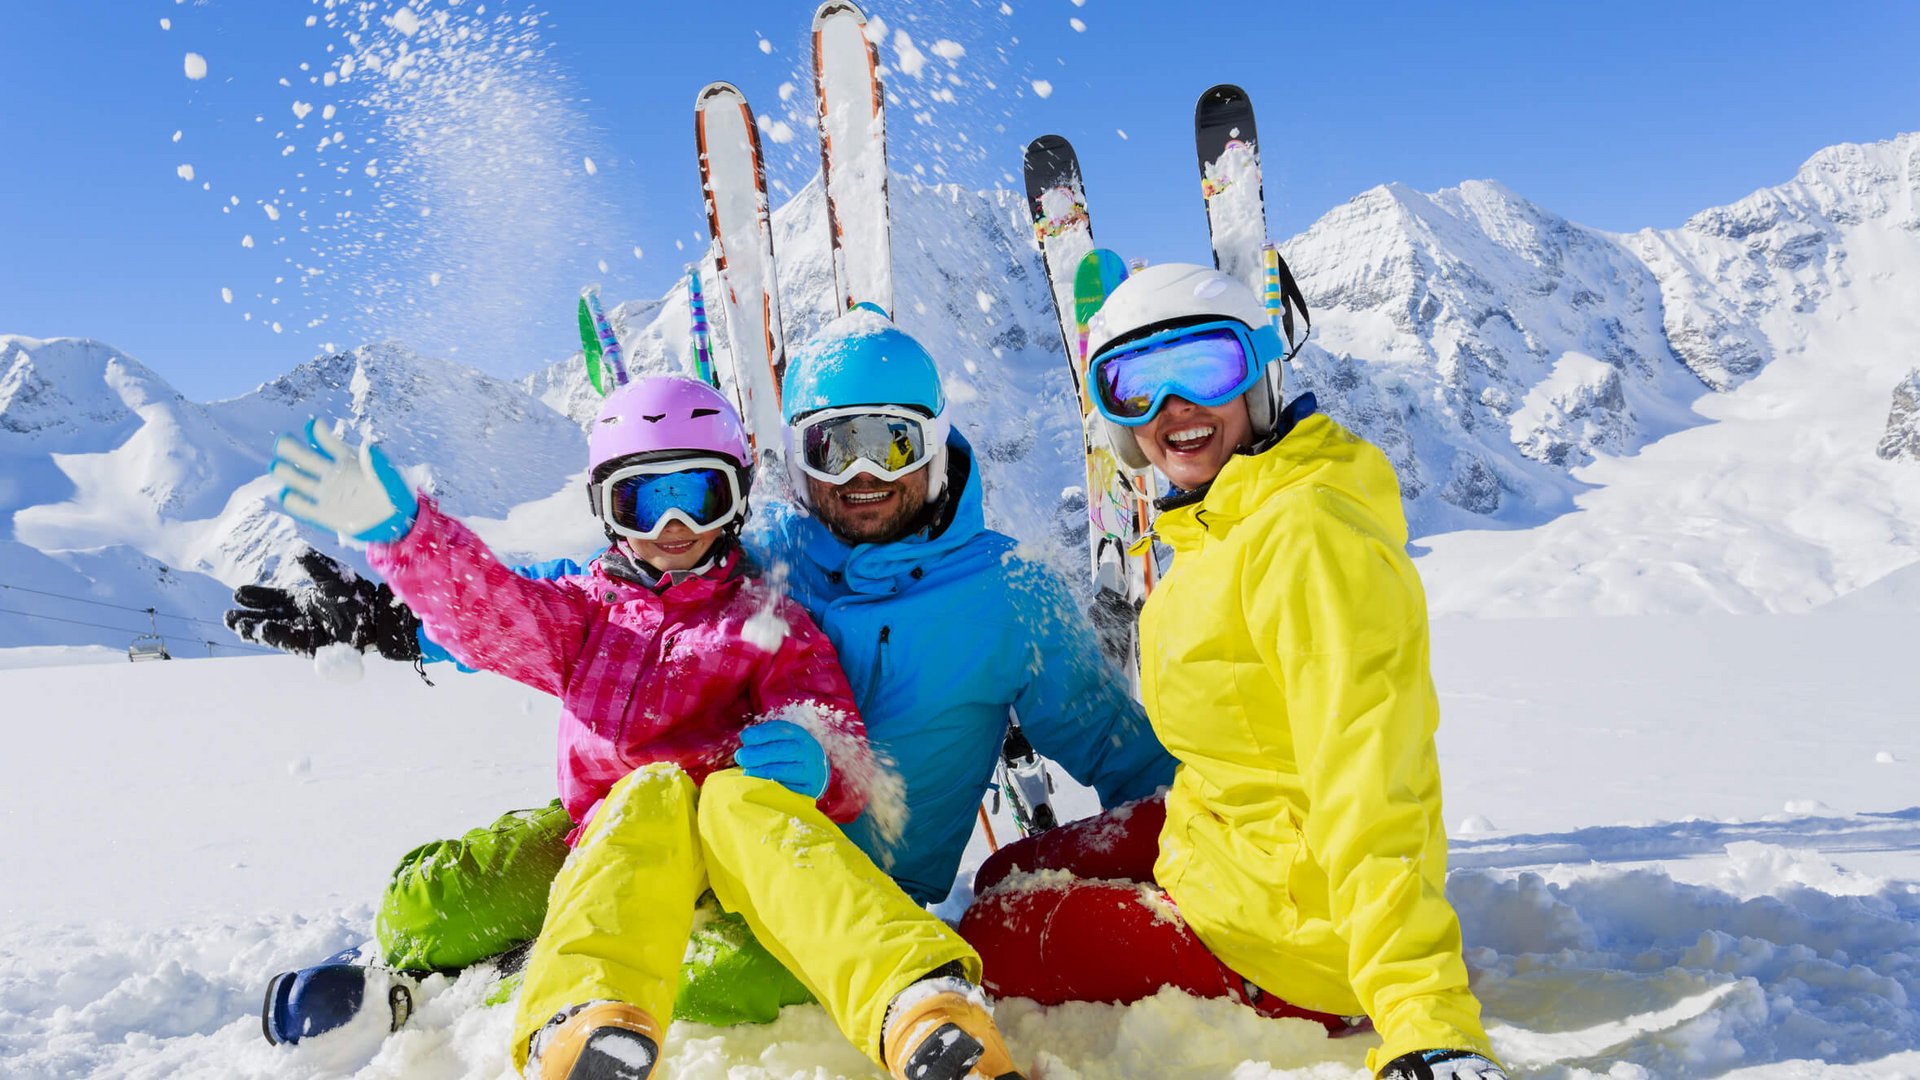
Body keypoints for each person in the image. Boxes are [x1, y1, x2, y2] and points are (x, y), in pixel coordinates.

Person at [263, 375, 1027, 1080]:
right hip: (598, 845)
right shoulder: (584, 616)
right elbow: (491, 614)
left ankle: (922, 1010)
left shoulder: (767, 622)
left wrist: (814, 760)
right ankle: (550, 976)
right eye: (643, 500)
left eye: (698, 492)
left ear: (734, 499)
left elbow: (833, 729)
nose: (673, 525)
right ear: (605, 508)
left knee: (746, 966)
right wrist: (408, 536)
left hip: (729, 871)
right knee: (431, 907)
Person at [956, 264, 1508, 1080]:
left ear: (1259, 374)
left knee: (986, 937)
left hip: (1288, 936)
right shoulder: (1229, 516)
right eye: (1136, 384)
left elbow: (1374, 779)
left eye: (1205, 369)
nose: (1172, 408)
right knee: (1003, 873)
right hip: (1224, 843)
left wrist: (1424, 1013)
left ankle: (1295, 979)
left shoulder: (1307, 536)